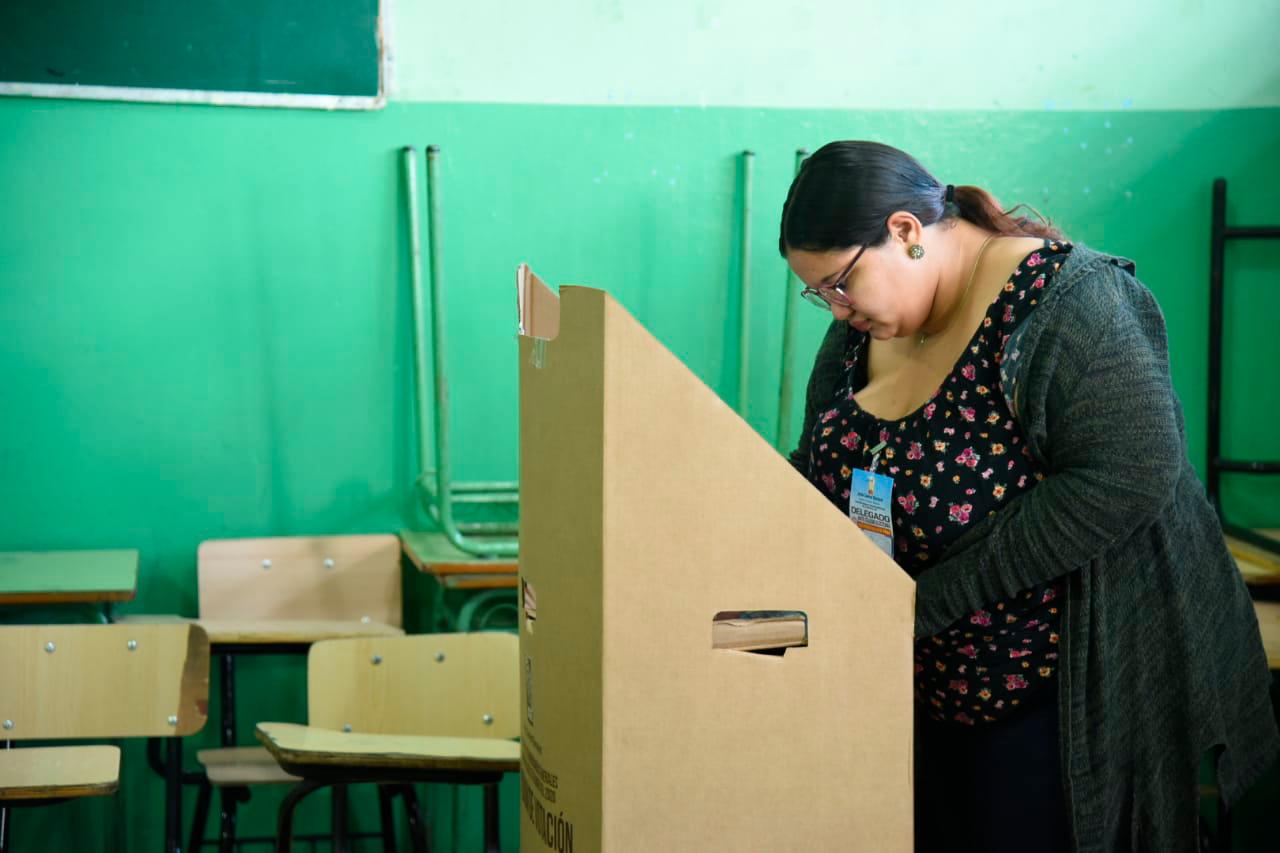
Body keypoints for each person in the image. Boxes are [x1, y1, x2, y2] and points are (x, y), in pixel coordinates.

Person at [778, 140, 1277, 853]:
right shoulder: (860, 335)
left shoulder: (1066, 303)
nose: (835, 306)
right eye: (817, 292)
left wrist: (927, 602)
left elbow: (1130, 473)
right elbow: (816, 463)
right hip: (909, 699)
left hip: (1046, 710)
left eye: (840, 282)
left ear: (905, 232)